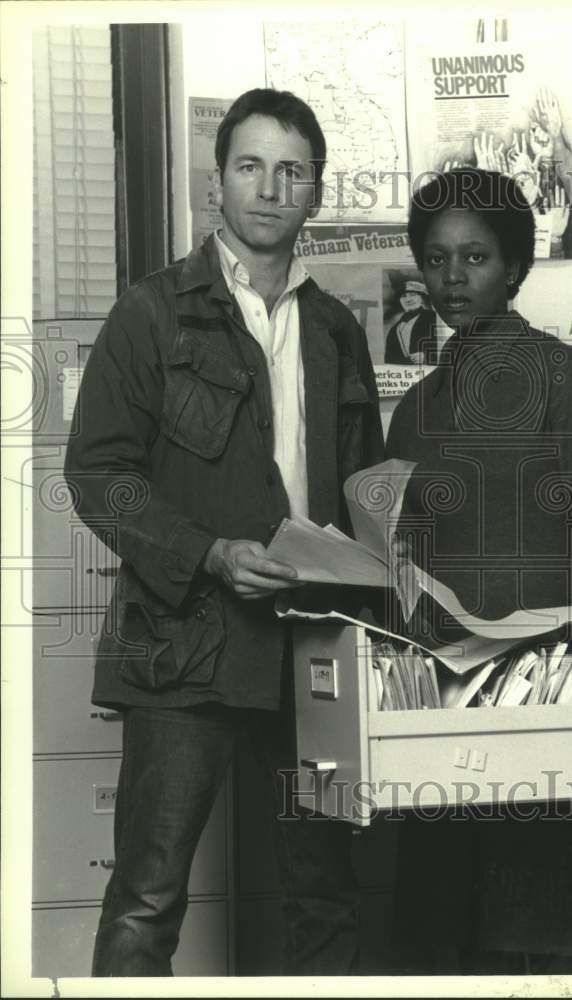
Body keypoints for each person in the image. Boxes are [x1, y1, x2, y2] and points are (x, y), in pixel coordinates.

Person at [64, 87, 384, 977]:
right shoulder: (151, 311)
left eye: (292, 172)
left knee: (325, 892)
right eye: (250, 166)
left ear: (317, 193)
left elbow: (366, 493)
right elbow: (96, 477)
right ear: (217, 185)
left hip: (313, 647)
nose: (270, 188)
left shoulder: (333, 329)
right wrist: (208, 554)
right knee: (146, 900)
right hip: (183, 649)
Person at [385, 168, 572, 973]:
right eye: (436, 260)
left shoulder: (561, 376)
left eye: (475, 258)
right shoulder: (416, 408)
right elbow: (394, 549)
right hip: (440, 701)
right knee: (446, 929)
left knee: (541, 929)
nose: (452, 279)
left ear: (514, 268)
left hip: (544, 694)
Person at [383, 277, 441, 364]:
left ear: (422, 299)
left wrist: (427, 356)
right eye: (403, 296)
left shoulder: (434, 318)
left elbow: (449, 345)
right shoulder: (395, 329)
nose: (408, 299)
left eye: (412, 295)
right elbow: (389, 359)